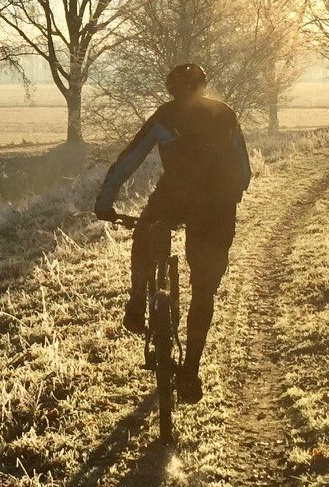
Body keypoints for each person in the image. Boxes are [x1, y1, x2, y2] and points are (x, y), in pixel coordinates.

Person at [94, 63, 251, 402]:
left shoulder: (164, 116)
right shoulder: (224, 114)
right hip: (218, 206)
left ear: (172, 90)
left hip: (175, 196)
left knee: (146, 234)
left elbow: (128, 160)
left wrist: (104, 204)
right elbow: (243, 167)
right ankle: (191, 372)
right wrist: (231, 194)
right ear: (203, 86)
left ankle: (137, 303)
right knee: (204, 290)